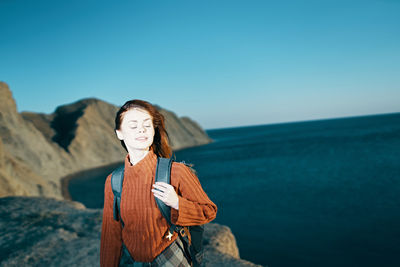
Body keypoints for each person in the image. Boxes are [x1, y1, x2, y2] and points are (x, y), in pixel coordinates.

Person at [100, 99, 218, 267]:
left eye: (147, 125)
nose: (141, 129)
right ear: (119, 133)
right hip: (132, 262)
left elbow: (209, 211)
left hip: (171, 260)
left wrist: (177, 203)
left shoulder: (176, 172)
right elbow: (110, 235)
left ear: (153, 130)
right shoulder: (113, 181)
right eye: (133, 126)